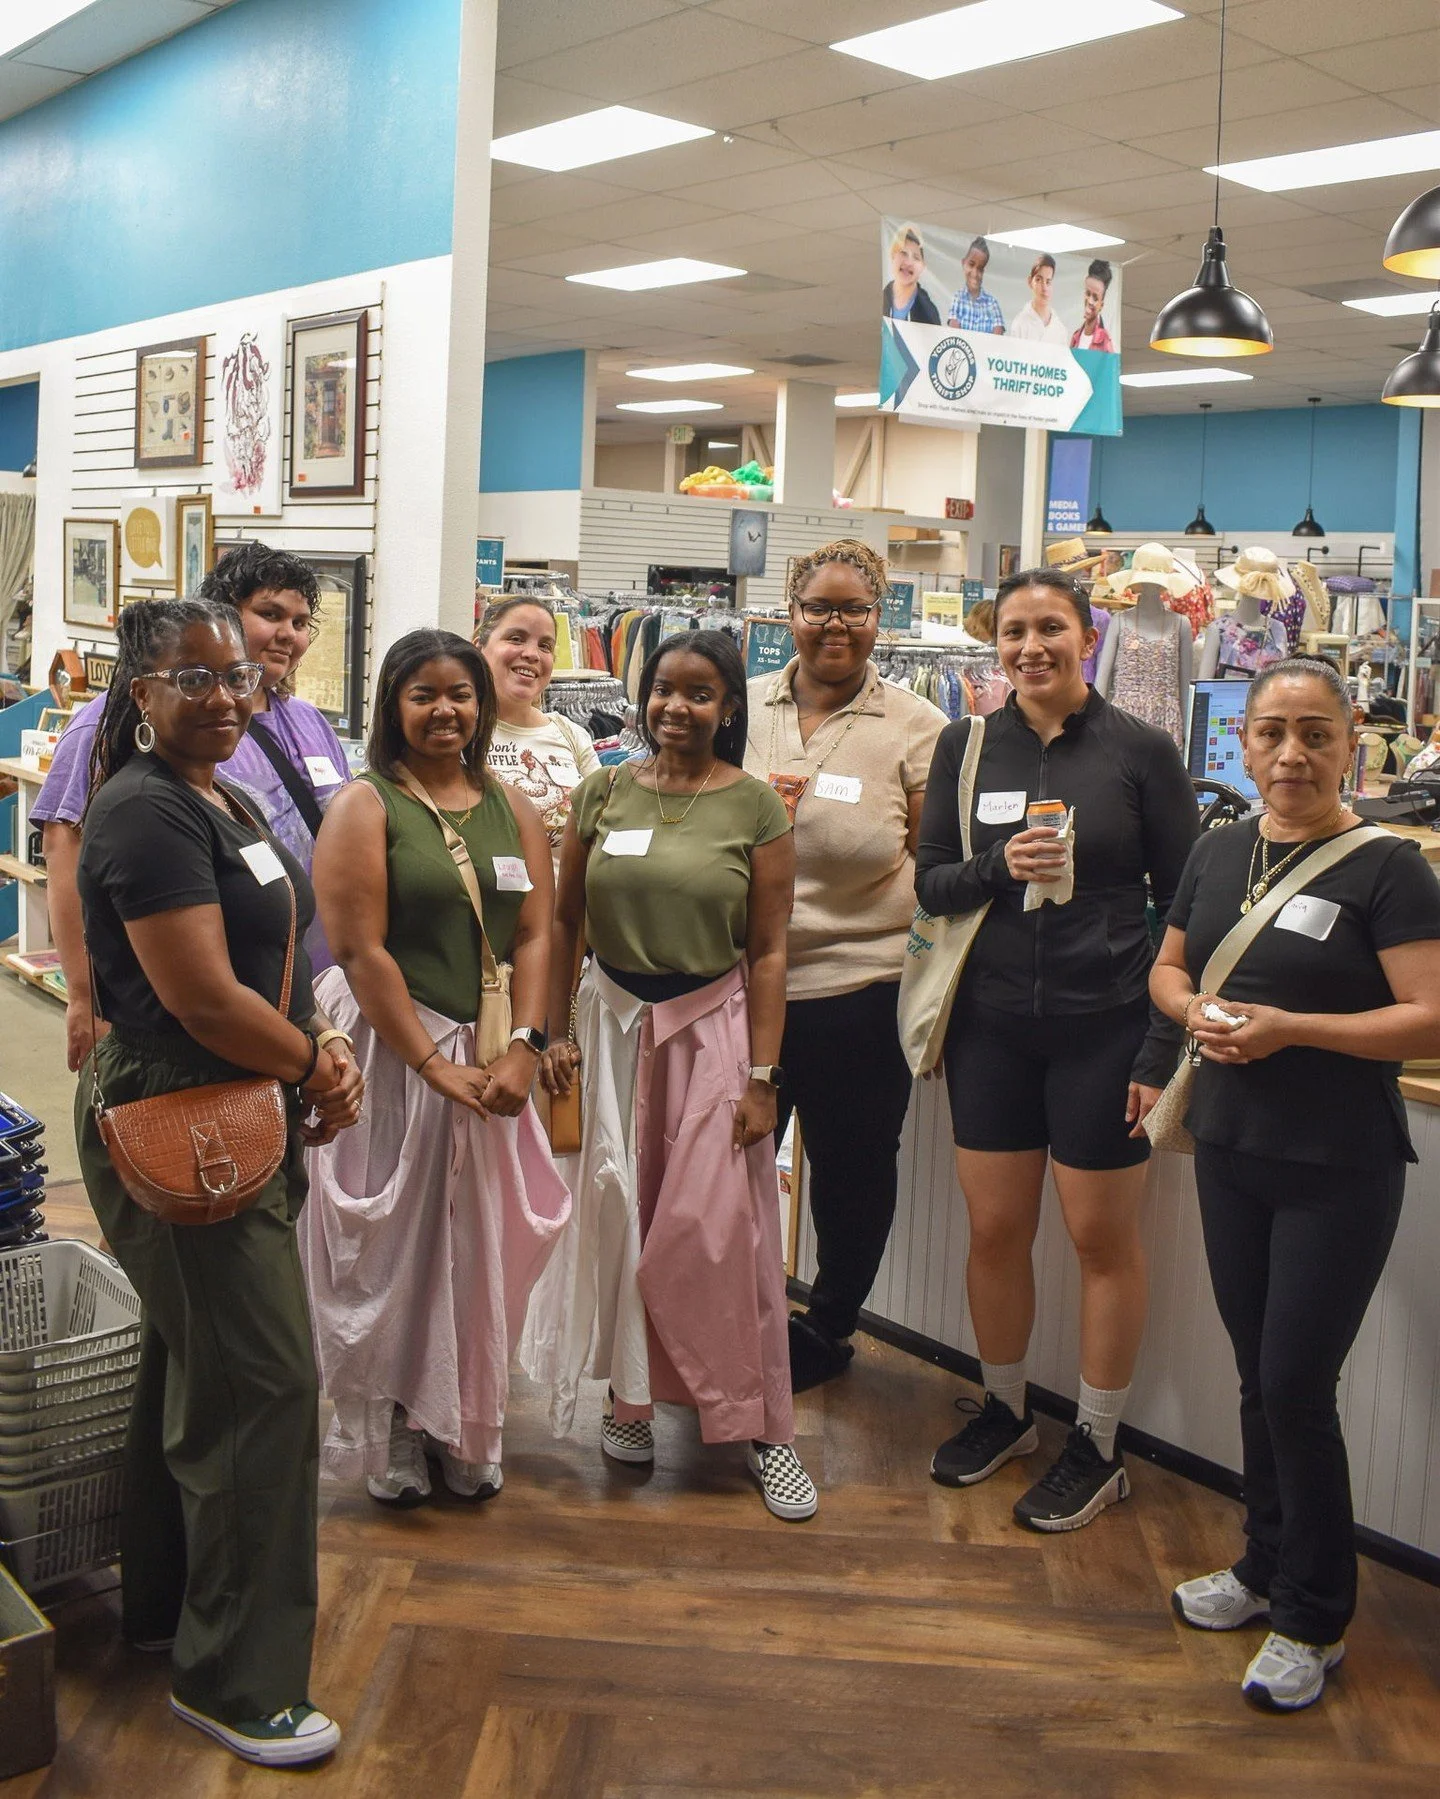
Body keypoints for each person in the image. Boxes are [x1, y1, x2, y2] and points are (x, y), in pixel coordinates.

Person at [74, 597, 362, 1768]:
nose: (227, 695)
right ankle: (236, 1677)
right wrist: (312, 1056)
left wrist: (313, 1049)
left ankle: (163, 1608)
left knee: (193, 1355)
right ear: (139, 692)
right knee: (263, 1387)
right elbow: (197, 994)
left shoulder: (226, 792)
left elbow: (270, 948)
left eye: (237, 673)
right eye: (193, 679)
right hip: (177, 1108)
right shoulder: (143, 810)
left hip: (238, 1101)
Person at [1150, 658, 1440, 1712]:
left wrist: (1290, 1029)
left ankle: (1314, 1615)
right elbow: (1169, 967)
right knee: (1254, 1374)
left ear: (1351, 739)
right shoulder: (1220, 849)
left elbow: (1428, 1016)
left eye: (1315, 733)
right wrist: (1192, 1015)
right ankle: (1262, 1563)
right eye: (1272, 733)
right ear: (1241, 742)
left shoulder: (1388, 868)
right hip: (1231, 1149)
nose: (1291, 755)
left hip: (1338, 1166)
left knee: (1294, 1386)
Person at [916, 568, 1198, 1530]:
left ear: (1088, 634)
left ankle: (1101, 1441)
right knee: (994, 1230)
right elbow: (931, 886)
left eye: (1051, 628)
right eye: (1013, 631)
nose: (1031, 647)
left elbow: (1187, 914)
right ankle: (1006, 1408)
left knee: (1098, 1238)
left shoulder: (1142, 750)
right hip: (992, 1027)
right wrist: (1000, 865)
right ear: (994, 643)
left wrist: (1160, 1048)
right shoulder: (963, 746)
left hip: (1107, 1031)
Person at [537, 630, 817, 1521]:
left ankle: (762, 1427)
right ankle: (628, 1400)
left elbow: (769, 950)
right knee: (622, 1216)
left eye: (700, 694)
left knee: (718, 1232)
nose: (676, 709)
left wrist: (765, 1077)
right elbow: (564, 921)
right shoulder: (602, 790)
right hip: (617, 1031)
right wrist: (550, 1033)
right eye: (663, 690)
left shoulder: (756, 809)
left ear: (730, 706)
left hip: (713, 1032)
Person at [302, 629, 569, 1508]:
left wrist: (527, 1045)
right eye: (424, 694)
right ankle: (386, 1430)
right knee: (387, 1250)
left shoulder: (511, 805)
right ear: (392, 707)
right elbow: (357, 946)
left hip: (489, 1049)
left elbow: (537, 931)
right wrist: (425, 1062)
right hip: (391, 1048)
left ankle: (460, 1419)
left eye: (460, 693)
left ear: (482, 704)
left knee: (471, 1246)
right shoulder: (365, 805)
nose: (445, 709)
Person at [743, 540, 945, 1390]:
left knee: (853, 1174)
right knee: (727, 1169)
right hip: (743, 987)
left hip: (861, 994)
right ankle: (728, 1311)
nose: (836, 624)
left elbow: (935, 867)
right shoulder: (741, 707)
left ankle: (828, 1326)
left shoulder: (919, 725)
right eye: (818, 607)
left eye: (854, 610)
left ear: (879, 618)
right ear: (788, 613)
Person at [34, 541, 348, 1074]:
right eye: (269, 614)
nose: (288, 635)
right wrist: (87, 1000)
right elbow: (68, 852)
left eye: (300, 621)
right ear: (223, 613)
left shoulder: (307, 721)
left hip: (304, 990)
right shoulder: (111, 725)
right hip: (187, 1018)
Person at [477, 596, 600, 869]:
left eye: (545, 645)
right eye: (516, 639)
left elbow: (600, 832)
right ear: (480, 648)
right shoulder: (456, 733)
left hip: (559, 909)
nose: (532, 654)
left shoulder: (571, 735)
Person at [882, 223, 942, 326]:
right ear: (892, 255)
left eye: (916, 258)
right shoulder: (882, 299)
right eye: (903, 253)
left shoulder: (928, 311)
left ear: (922, 267)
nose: (909, 262)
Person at [947, 236, 1006, 334]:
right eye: (971, 264)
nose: (975, 273)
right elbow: (954, 333)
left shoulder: (992, 303)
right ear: (963, 263)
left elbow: (998, 336)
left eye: (980, 268)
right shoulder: (958, 298)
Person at [1008, 254, 1069, 345]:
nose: (1044, 288)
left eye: (1048, 282)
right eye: (1039, 280)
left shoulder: (1060, 330)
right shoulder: (1020, 324)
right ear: (1030, 282)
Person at [1070, 260, 1116, 352]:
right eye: (1088, 294)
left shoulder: (1105, 341)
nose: (1090, 301)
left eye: (1095, 298)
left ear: (1101, 305)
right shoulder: (1075, 337)